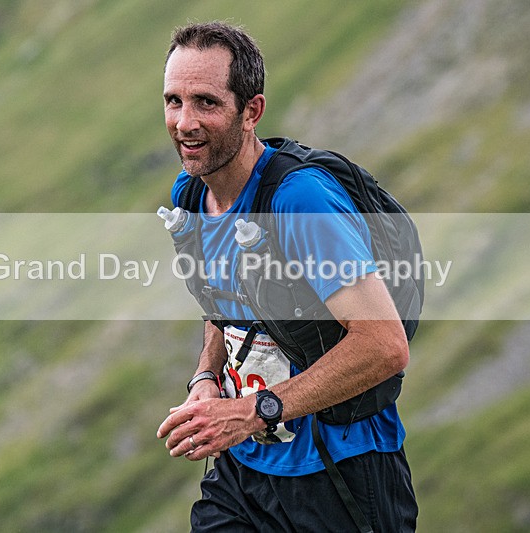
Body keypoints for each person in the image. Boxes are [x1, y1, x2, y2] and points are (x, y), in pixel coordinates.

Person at [156, 22, 418, 532]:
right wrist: (207, 378)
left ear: (251, 111)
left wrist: (254, 411)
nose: (184, 122)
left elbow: (385, 345)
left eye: (205, 103)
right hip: (242, 474)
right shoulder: (192, 193)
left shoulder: (299, 202)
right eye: (173, 101)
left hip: (341, 474)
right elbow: (225, 300)